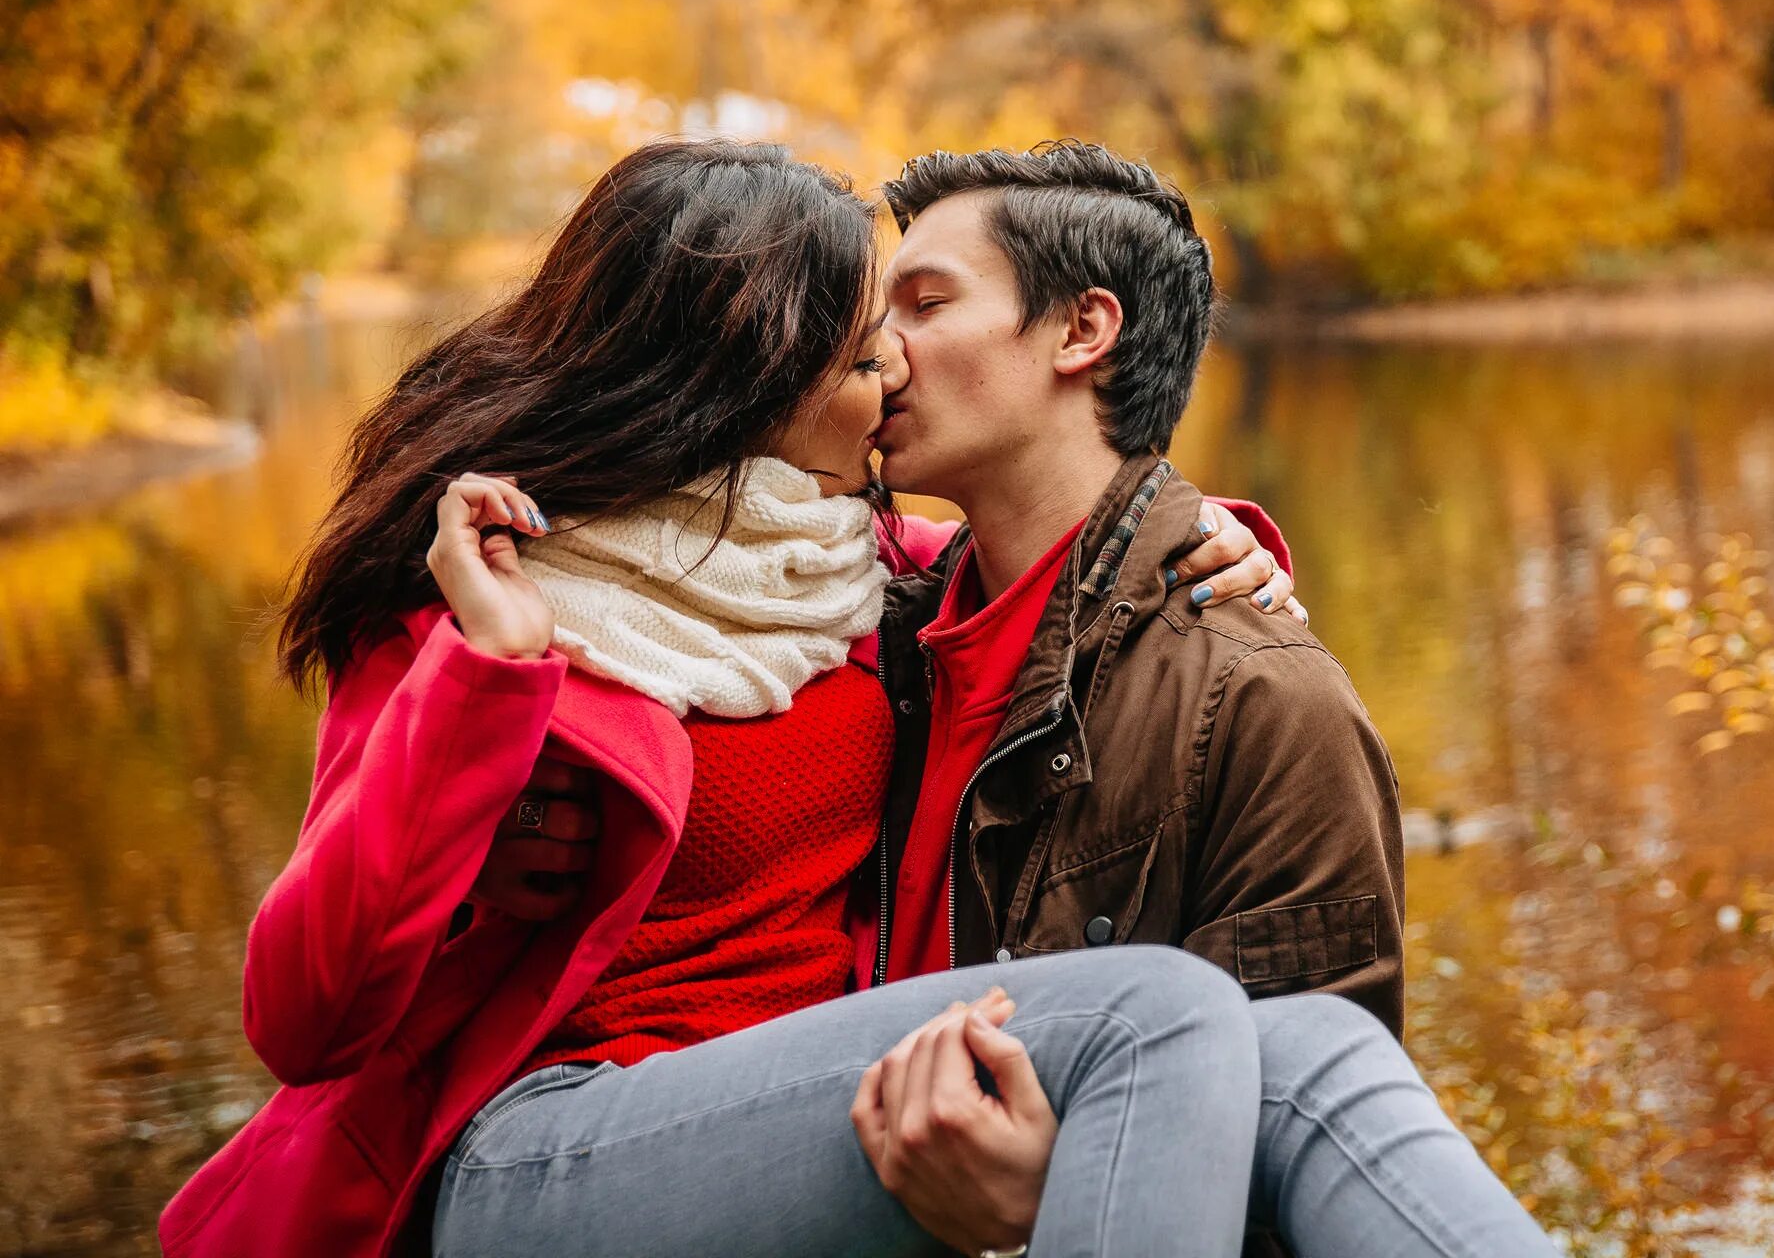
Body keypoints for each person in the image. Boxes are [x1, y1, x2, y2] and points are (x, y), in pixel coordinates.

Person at [454, 142, 1556, 1257]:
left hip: (1005, 1194)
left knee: (1307, 1051)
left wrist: (1039, 1204)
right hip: (727, 1158)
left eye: (927, 304)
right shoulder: (856, 627)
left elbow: (1291, 1203)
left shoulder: (1265, 706)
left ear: (1084, 332)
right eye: (878, 318)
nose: (880, 353)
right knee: (1182, 1019)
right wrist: (483, 817)